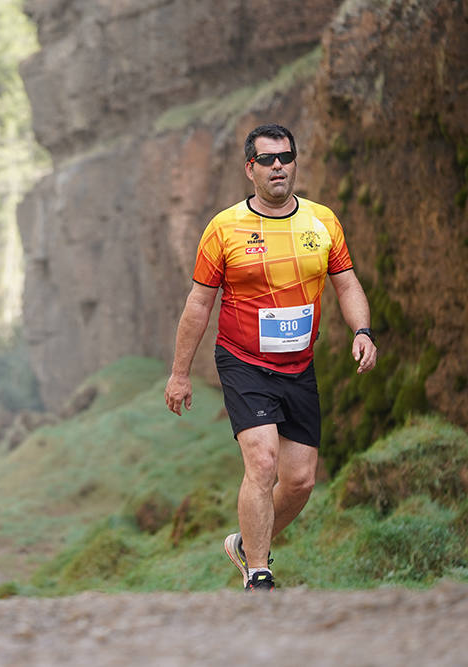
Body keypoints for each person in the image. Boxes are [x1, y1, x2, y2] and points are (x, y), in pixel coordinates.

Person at [164, 124, 378, 591]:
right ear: (250, 169)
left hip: (299, 367)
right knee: (261, 462)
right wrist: (180, 374)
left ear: (296, 162)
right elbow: (198, 305)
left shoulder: (323, 222)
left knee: (300, 481)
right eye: (267, 160)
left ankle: (245, 542)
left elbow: (346, 283)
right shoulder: (224, 228)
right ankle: (259, 572)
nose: (278, 165)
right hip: (243, 362)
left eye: (286, 157)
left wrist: (362, 331)